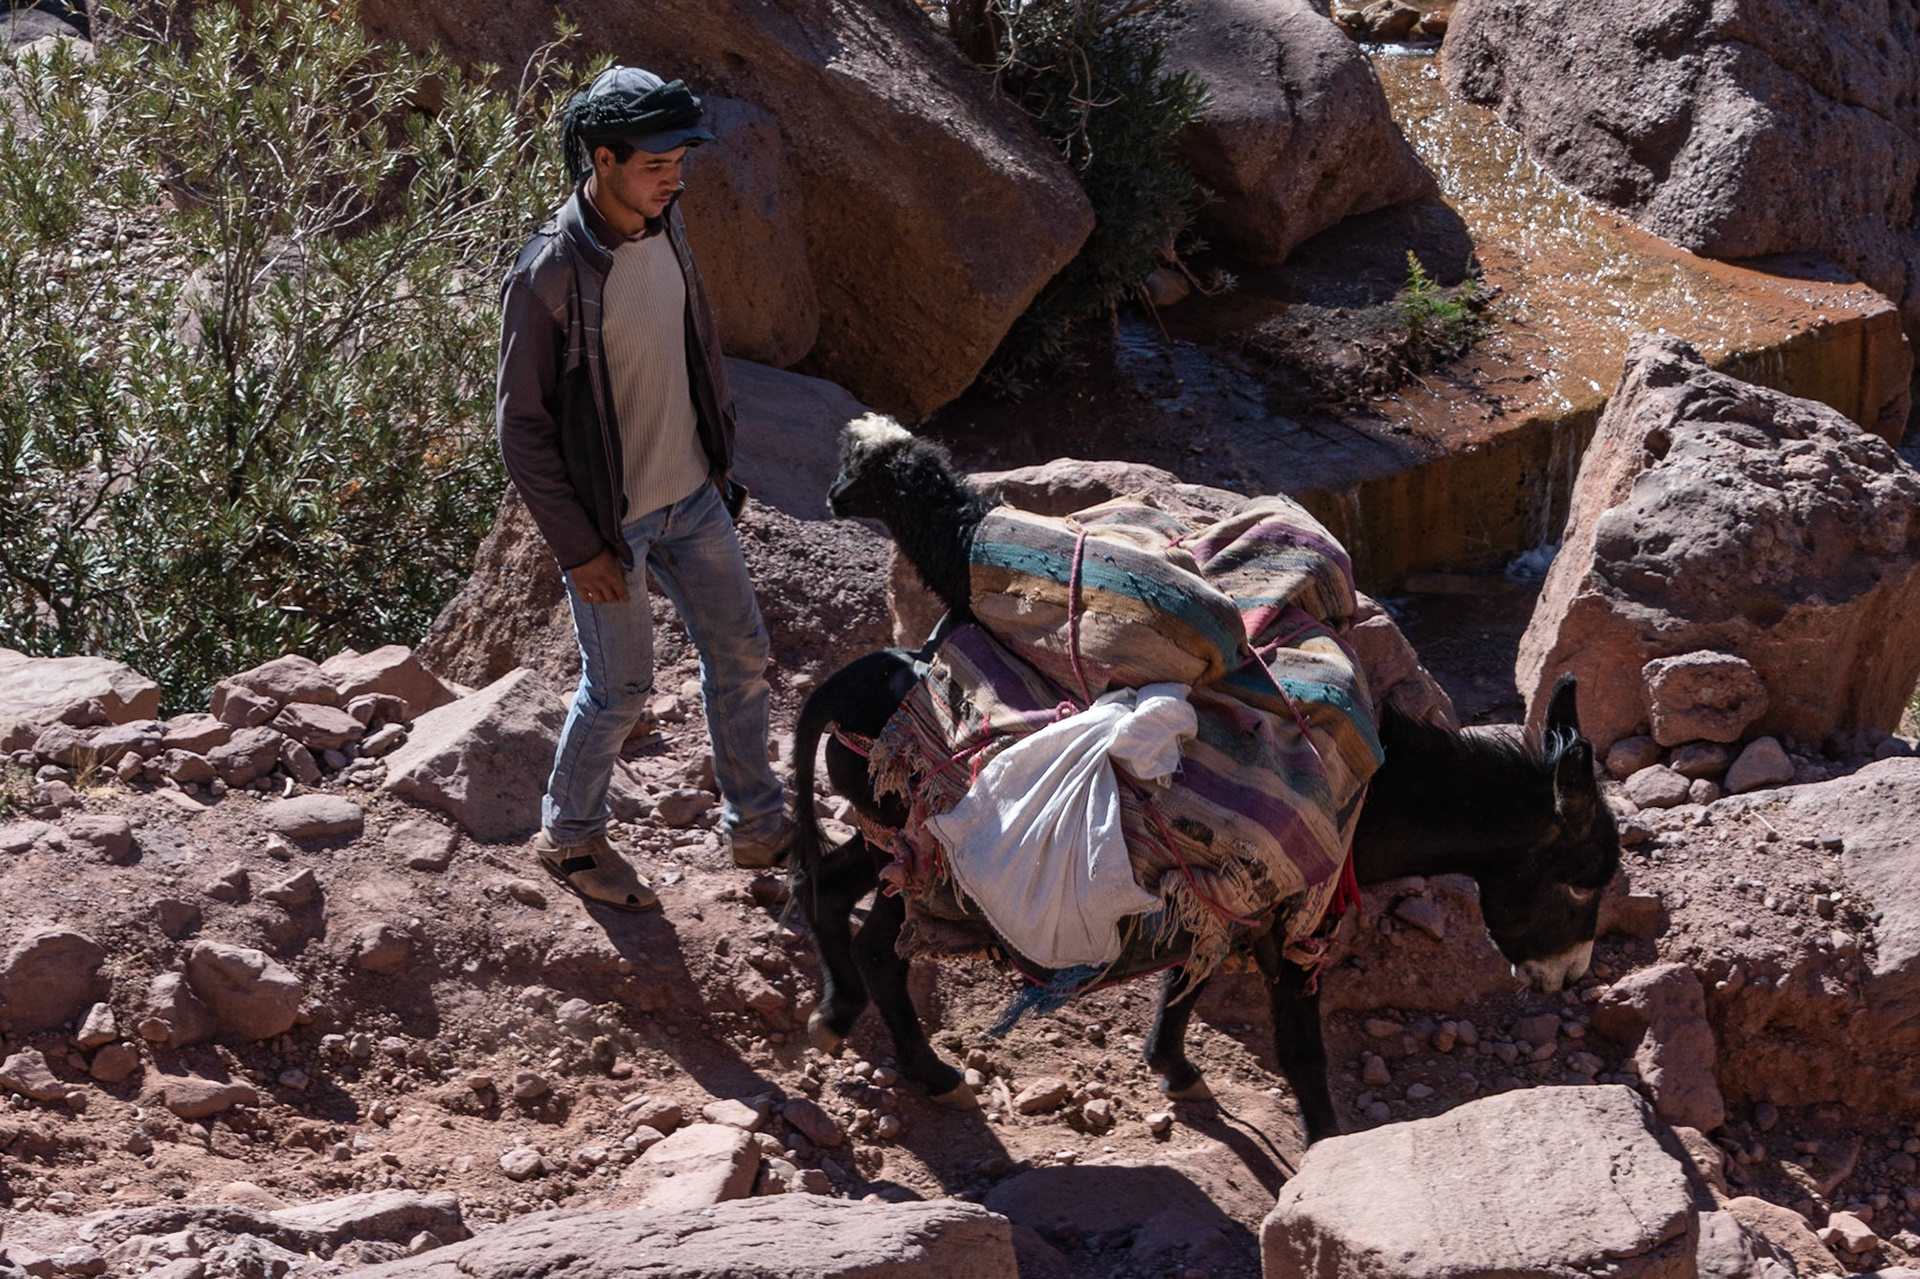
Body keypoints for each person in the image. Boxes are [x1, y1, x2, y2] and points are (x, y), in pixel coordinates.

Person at [496, 65, 791, 911]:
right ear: (602, 158)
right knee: (620, 686)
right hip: (609, 520)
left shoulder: (668, 225)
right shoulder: (549, 271)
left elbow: (693, 345)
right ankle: (572, 839)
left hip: (693, 494)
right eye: (659, 161)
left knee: (740, 654)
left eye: (681, 159)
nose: (676, 175)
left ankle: (757, 823)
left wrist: (720, 464)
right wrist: (580, 546)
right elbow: (520, 427)